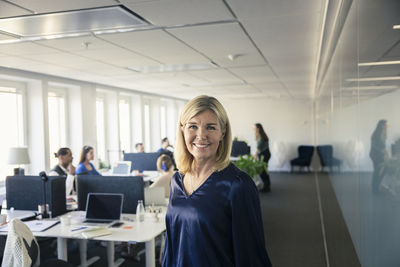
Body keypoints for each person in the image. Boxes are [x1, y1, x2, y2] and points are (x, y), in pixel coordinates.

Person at [163, 95, 272, 266]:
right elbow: (171, 246)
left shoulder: (237, 185)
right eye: (193, 126)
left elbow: (251, 256)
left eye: (210, 127)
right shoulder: (177, 180)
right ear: (182, 130)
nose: (201, 135)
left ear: (223, 132)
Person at [369, 120, 388, 194]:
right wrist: (386, 153)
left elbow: (383, 146)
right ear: (382, 125)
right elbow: (380, 146)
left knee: (379, 171)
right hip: (375, 155)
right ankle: (375, 189)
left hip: (378, 155)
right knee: (378, 171)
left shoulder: (382, 133)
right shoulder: (377, 134)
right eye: (386, 125)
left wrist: (385, 153)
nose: (387, 126)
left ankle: (375, 186)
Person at [254, 123, 271, 192]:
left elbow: (259, 147)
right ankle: (267, 185)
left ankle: (266, 187)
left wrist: (255, 154)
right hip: (265, 153)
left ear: (258, 128)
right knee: (263, 170)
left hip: (264, 154)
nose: (253, 129)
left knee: (262, 170)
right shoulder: (261, 135)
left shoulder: (261, 136)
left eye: (254, 128)